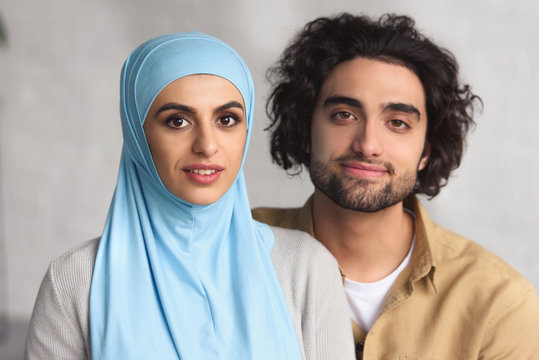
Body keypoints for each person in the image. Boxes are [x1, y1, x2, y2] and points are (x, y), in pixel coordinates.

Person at [25, 32, 355, 359]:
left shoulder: (305, 267)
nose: (207, 145)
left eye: (227, 119)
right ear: (138, 133)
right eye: (178, 121)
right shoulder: (76, 280)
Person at [253, 13, 539, 359]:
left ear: (426, 152)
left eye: (398, 123)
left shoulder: (499, 303)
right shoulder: (232, 249)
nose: (368, 144)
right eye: (345, 114)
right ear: (305, 130)